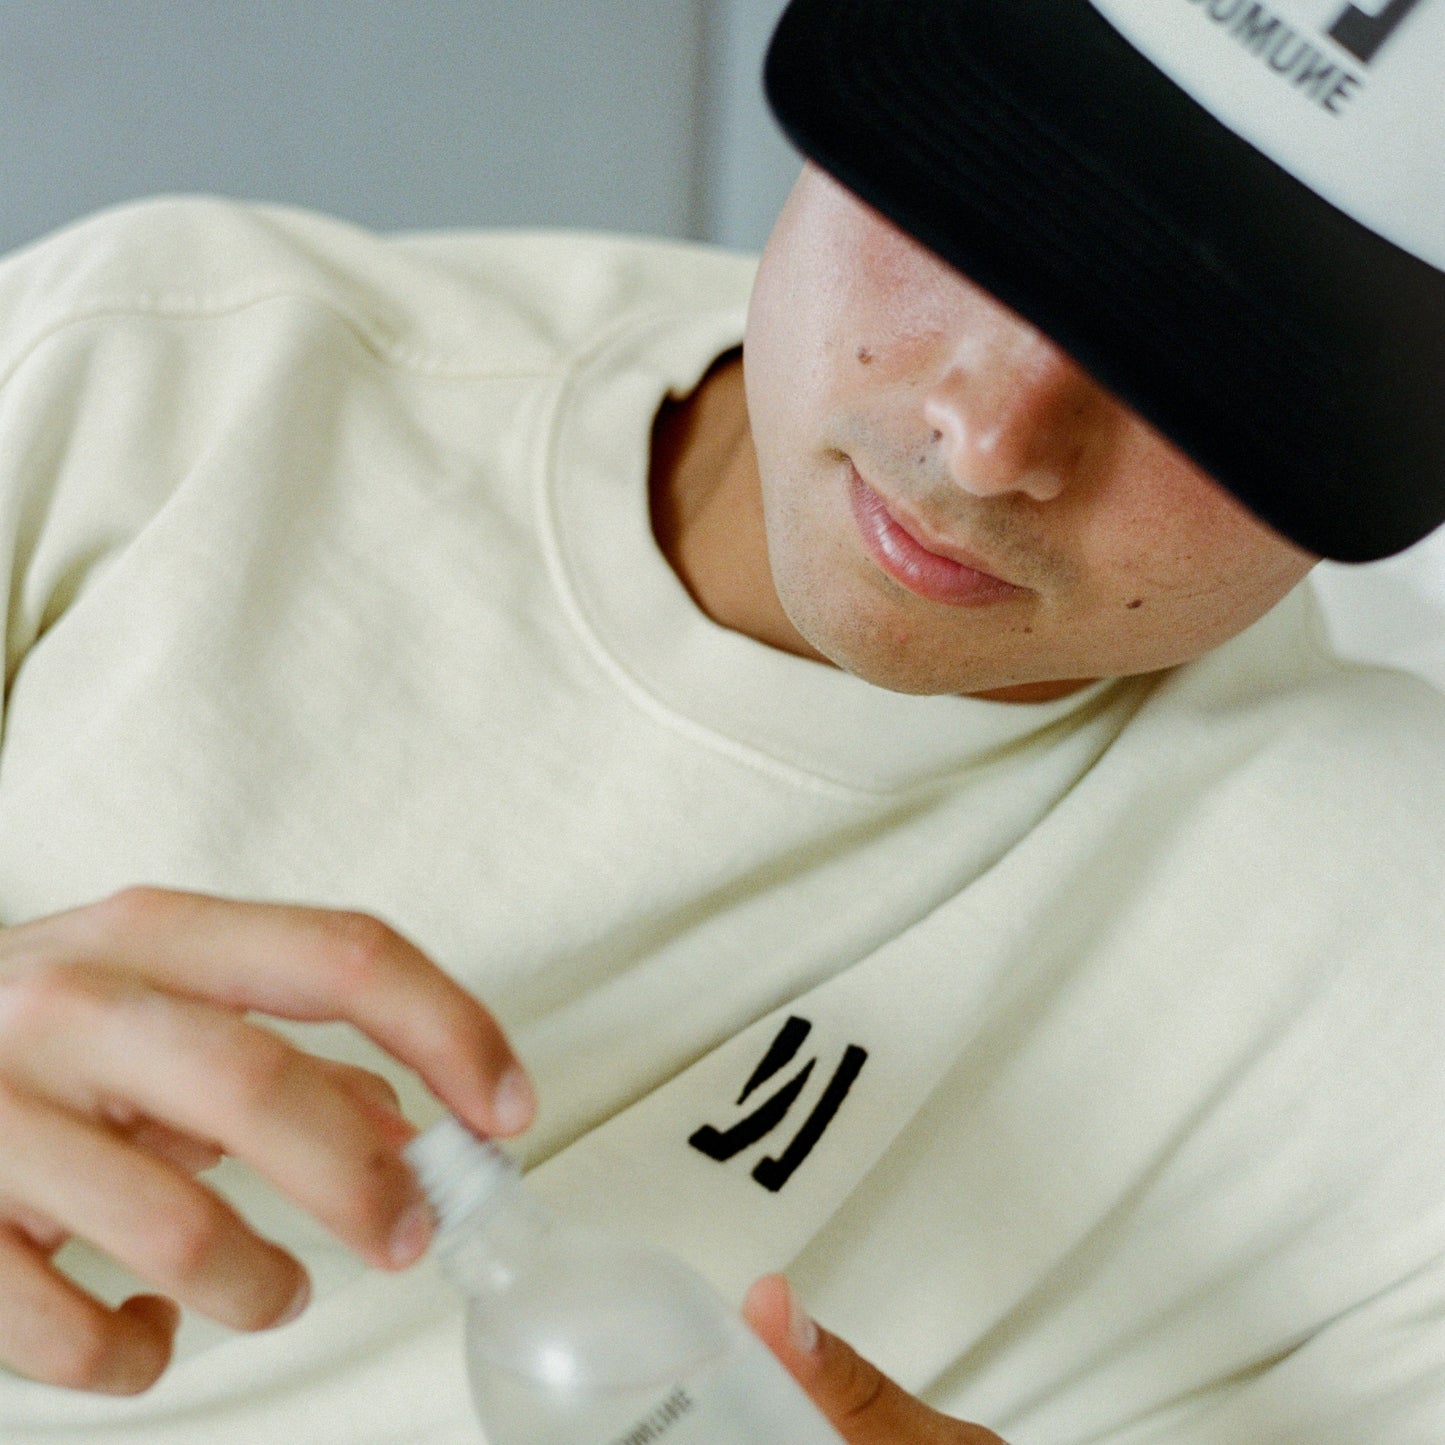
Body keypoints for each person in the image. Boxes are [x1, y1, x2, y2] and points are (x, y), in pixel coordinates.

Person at [1, 0, 1442, 1441]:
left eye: (1213, 351)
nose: (988, 437)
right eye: (989, 196)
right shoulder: (154, 380)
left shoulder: (1391, 1008)